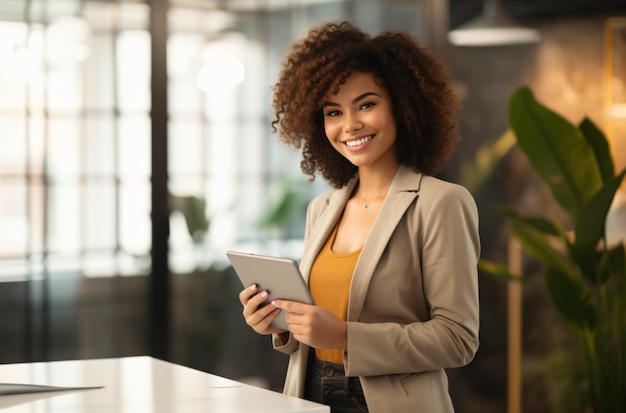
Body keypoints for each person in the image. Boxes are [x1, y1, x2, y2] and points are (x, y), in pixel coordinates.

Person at [239, 20, 480, 413]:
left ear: (402, 107)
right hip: (309, 391)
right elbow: (315, 327)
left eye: (366, 104)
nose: (349, 125)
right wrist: (277, 324)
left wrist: (347, 336)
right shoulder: (323, 208)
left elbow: (457, 339)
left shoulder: (441, 203)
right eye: (334, 112)